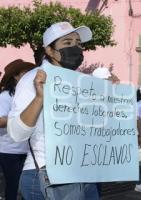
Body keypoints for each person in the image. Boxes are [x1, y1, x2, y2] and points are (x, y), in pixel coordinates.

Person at [7, 22, 100, 200]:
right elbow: (16, 134)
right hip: (48, 174)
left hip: (84, 173)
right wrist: (39, 98)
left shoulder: (82, 82)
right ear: (49, 51)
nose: (76, 48)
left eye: (78, 43)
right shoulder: (33, 79)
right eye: (67, 43)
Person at [0, 59, 35, 200]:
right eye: (26, 73)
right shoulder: (4, 97)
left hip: (28, 149)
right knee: (14, 186)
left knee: (27, 187)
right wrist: (22, 119)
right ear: (15, 76)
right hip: (10, 151)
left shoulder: (27, 95)